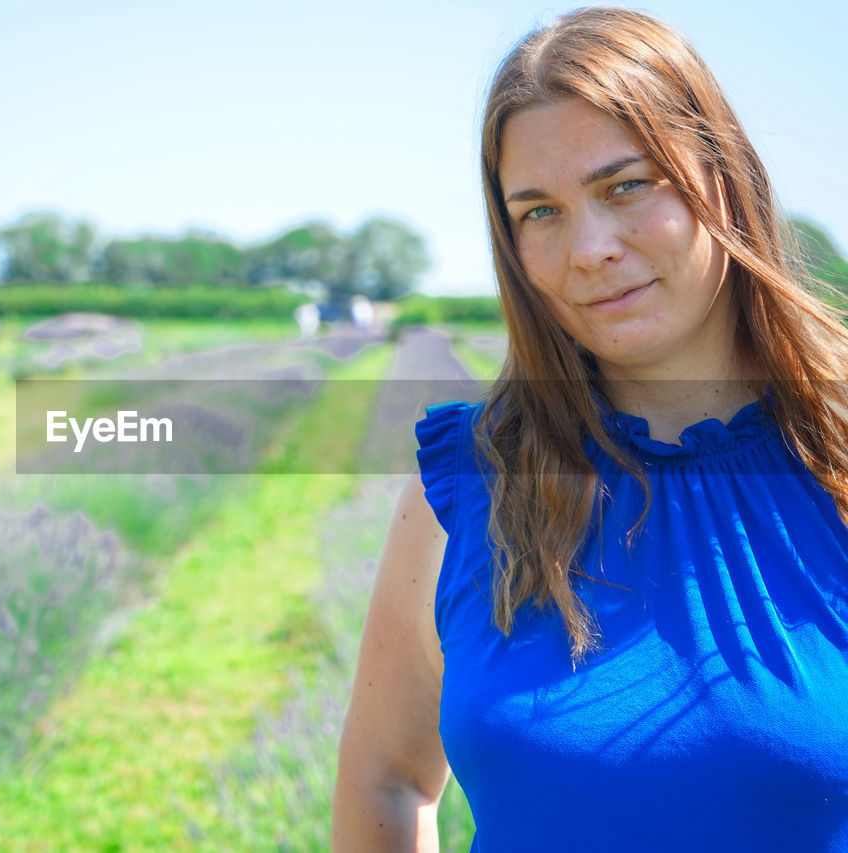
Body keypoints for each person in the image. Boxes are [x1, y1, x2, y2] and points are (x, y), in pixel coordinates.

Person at [332, 7, 848, 852]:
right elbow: (385, 778)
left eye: (626, 186)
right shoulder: (467, 485)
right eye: (540, 212)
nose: (590, 248)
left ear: (720, 179)